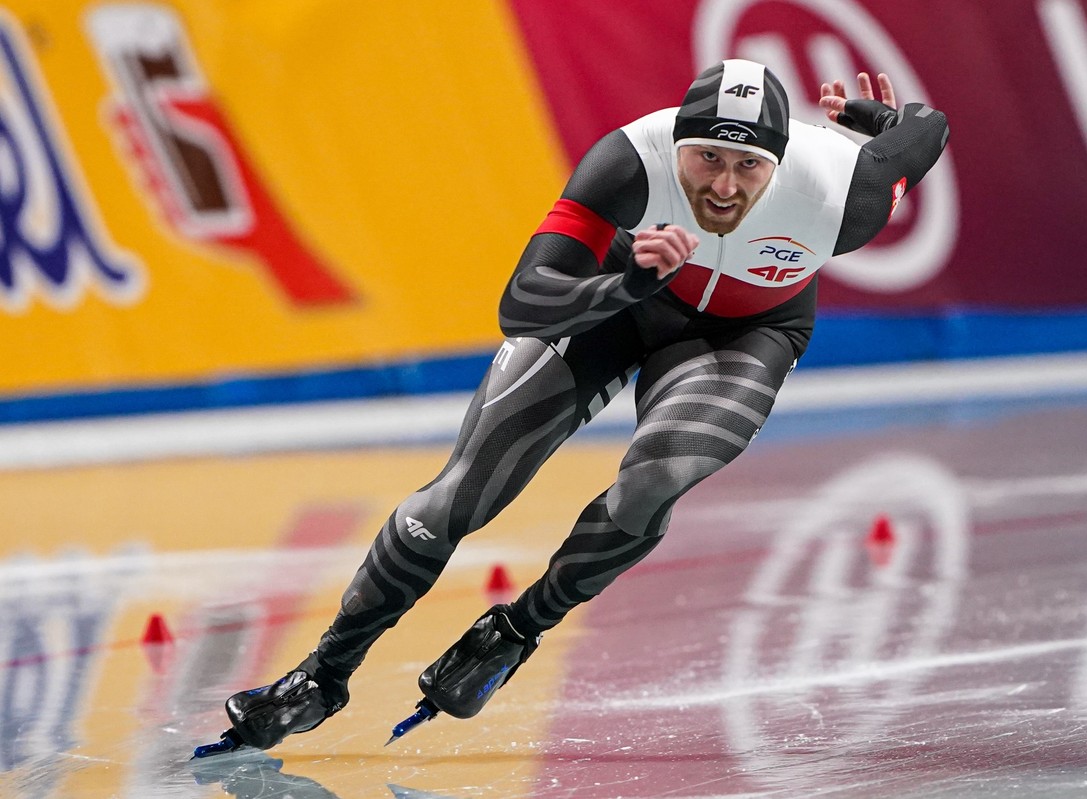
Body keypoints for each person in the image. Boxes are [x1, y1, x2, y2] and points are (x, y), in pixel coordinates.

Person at [213, 59, 950, 751]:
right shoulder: (629, 161)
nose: (724, 187)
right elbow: (522, 302)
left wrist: (871, 123)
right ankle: (320, 674)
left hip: (748, 330)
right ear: (676, 145)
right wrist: (626, 285)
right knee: (459, 496)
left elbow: (928, 126)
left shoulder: (844, 193)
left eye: (748, 166)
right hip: (620, 298)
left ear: (781, 164)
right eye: (707, 159)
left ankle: (516, 630)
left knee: (658, 478)